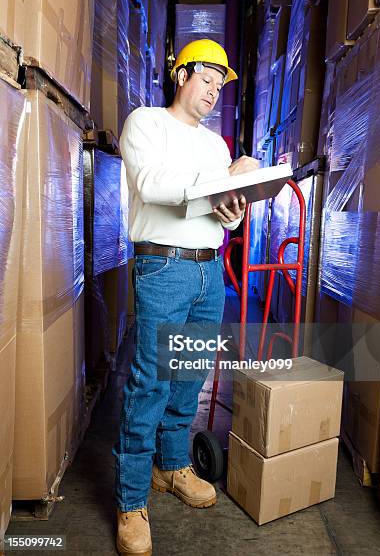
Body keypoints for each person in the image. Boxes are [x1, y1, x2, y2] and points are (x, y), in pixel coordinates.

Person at [113, 39, 259, 556]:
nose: (214, 93)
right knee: (150, 382)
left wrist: (231, 212)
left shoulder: (215, 145)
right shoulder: (146, 122)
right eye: (207, 80)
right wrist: (223, 180)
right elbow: (152, 185)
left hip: (206, 271)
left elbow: (225, 207)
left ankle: (172, 465)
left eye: (221, 86)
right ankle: (131, 501)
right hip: (162, 268)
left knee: (189, 376)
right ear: (182, 75)